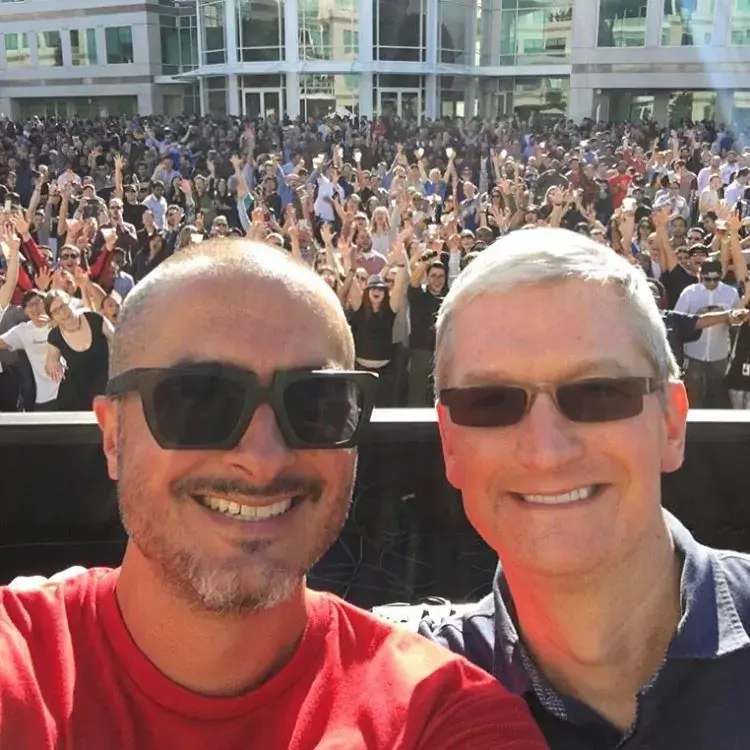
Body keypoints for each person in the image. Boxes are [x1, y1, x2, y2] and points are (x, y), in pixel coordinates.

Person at [0, 238, 547, 749]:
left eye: (316, 403)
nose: (261, 458)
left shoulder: (442, 717)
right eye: (200, 400)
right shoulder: (18, 663)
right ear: (114, 436)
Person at [420, 227, 750, 749]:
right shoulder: (402, 703)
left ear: (671, 423)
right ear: (450, 445)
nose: (547, 450)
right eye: (490, 402)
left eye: (598, 392)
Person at [44, 289, 113, 411]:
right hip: (75, 399)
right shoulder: (55, 336)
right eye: (55, 311)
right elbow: (50, 362)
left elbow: (120, 342)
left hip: (105, 391)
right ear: (52, 318)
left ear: (72, 302)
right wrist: (53, 366)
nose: (63, 313)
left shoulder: (95, 319)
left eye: (64, 306)